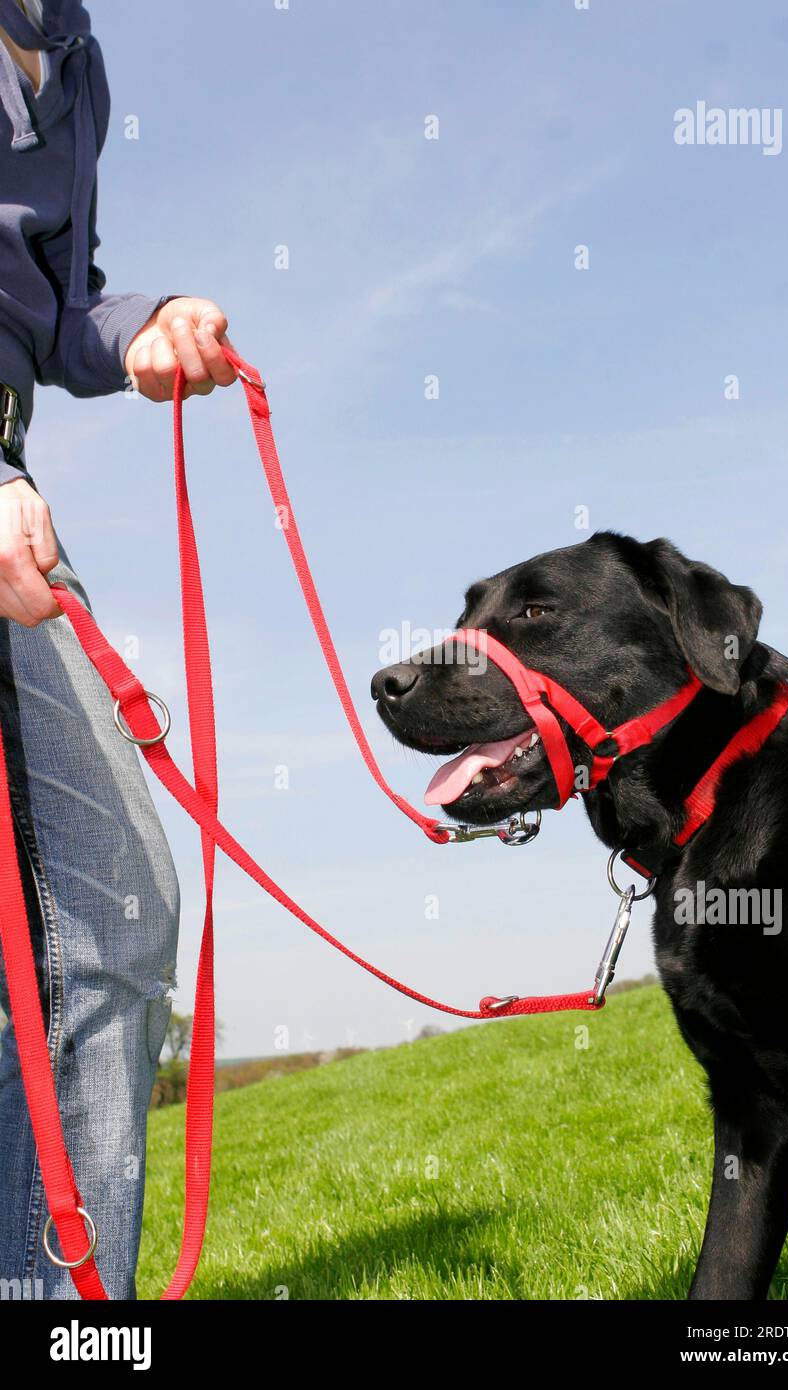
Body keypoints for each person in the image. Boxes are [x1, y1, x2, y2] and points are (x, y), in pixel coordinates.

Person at [0, 0, 233, 1299]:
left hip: (8, 473)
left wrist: (137, 323)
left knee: (114, 909)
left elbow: (51, 301)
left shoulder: (76, 63)